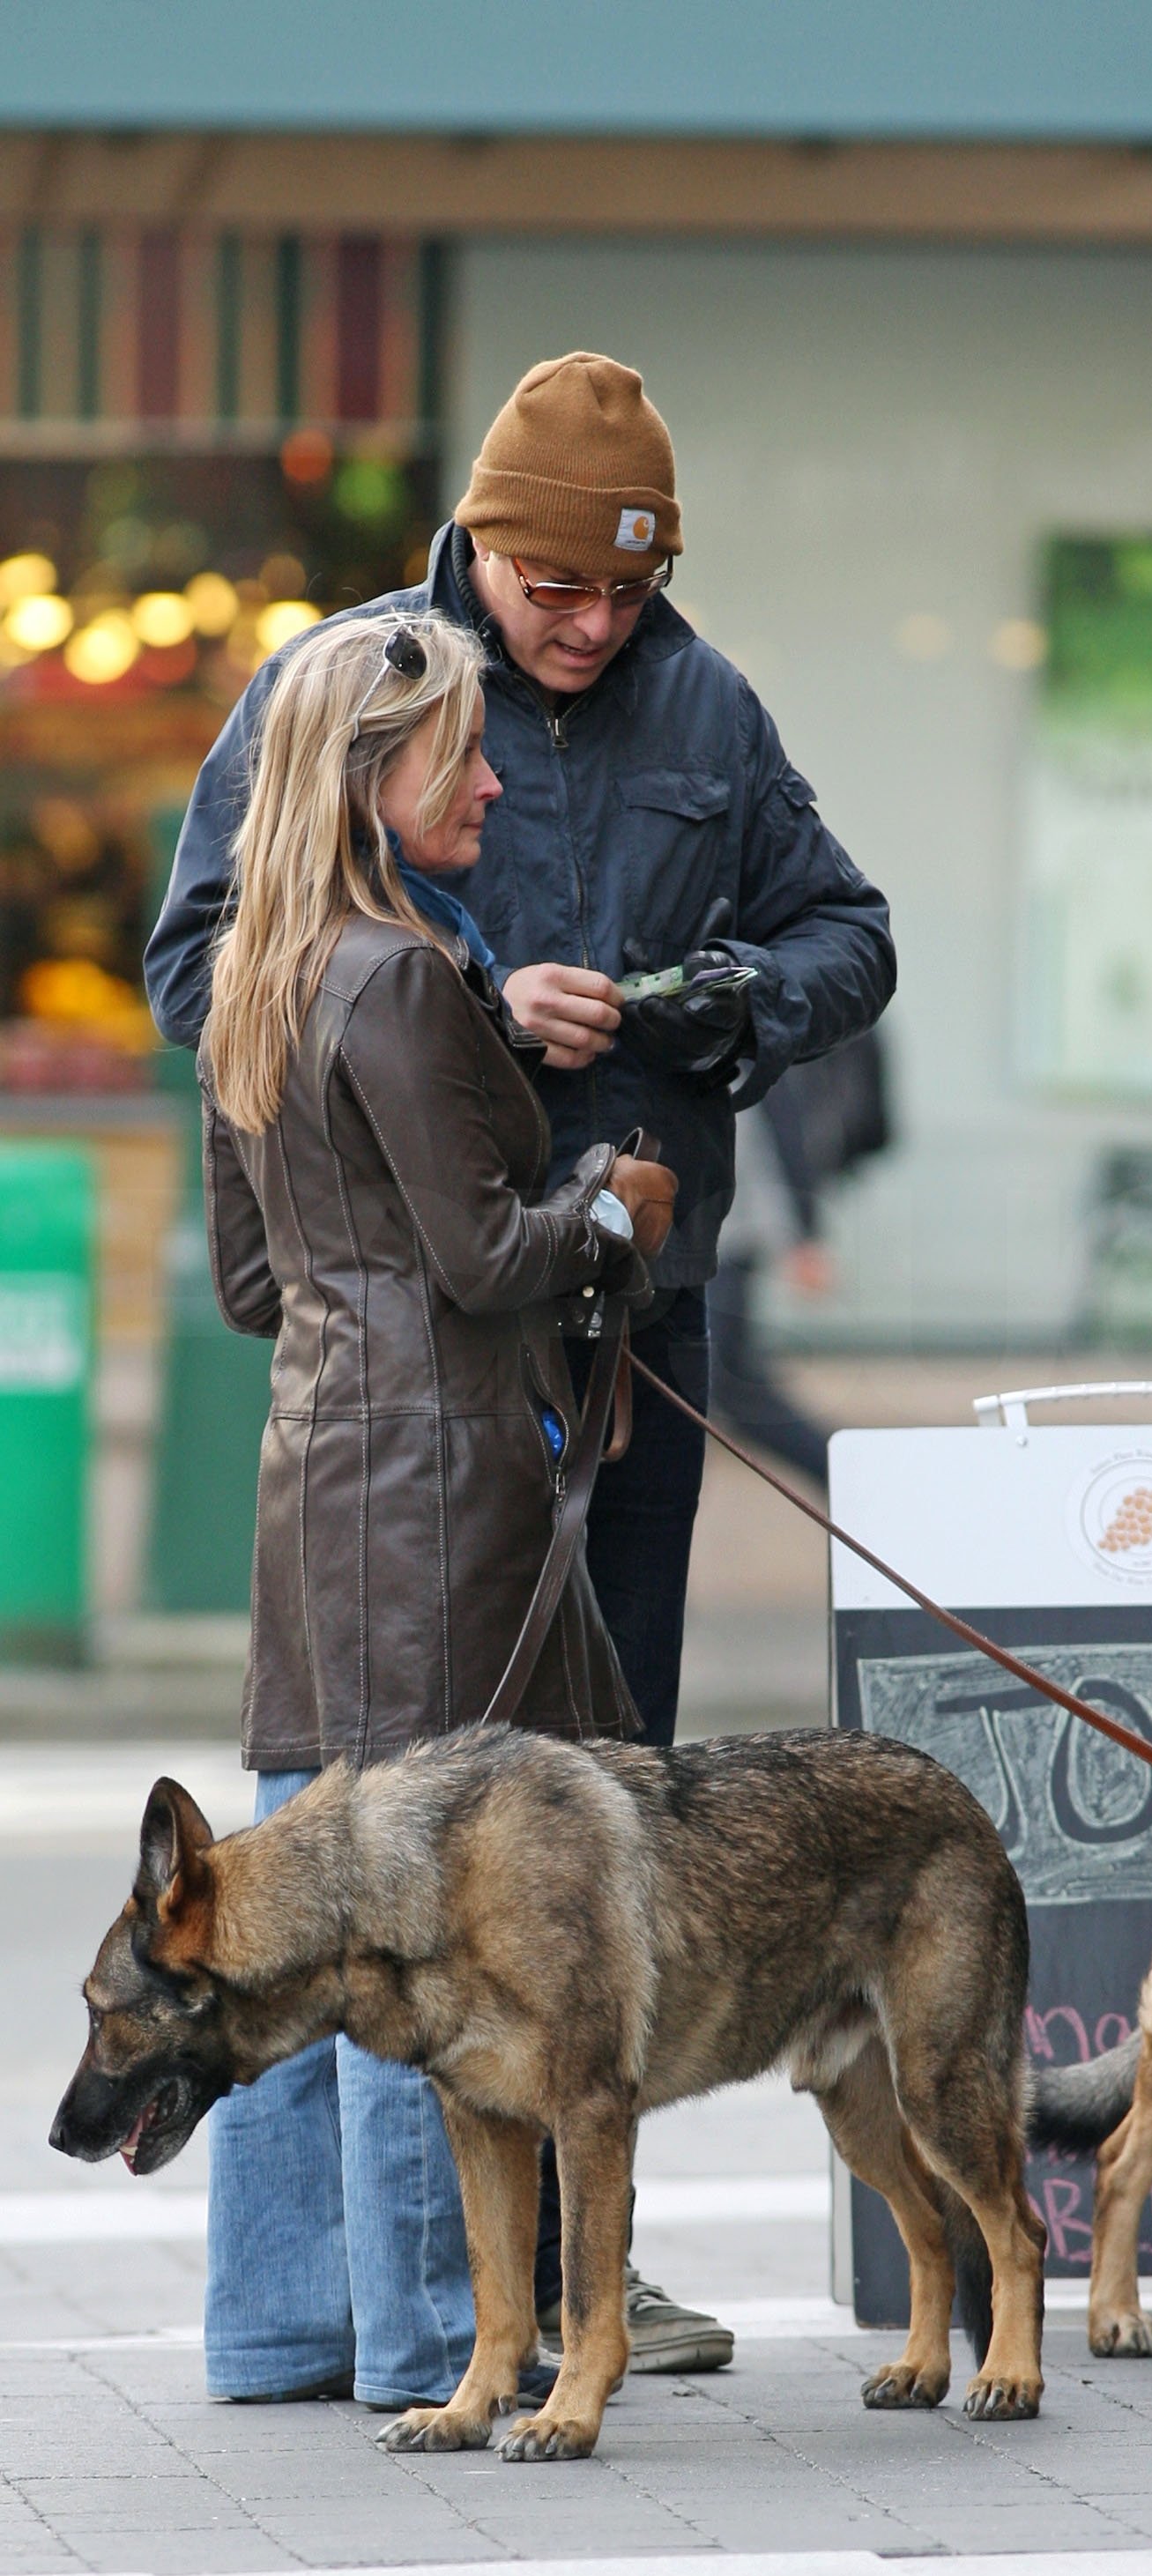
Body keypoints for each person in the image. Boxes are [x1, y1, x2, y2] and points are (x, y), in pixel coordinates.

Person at [146, 352, 896, 2372]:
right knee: (418, 1840)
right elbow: (212, 963)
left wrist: (715, 995)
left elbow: (849, 934)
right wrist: (474, 1012)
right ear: (476, 544)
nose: (586, 629)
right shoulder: (358, 692)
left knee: (594, 1804)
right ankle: (456, 2308)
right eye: (552, 589)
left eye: (622, 594)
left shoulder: (701, 702)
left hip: (611, 1354)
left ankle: (538, 2261)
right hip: (467, 1347)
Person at [197, 608, 672, 2408]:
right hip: (443, 1475)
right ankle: (421, 2329)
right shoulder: (397, 975)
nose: (489, 772)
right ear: (376, 773)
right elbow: (484, 1258)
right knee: (426, 1908)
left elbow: (256, 1286)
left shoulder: (263, 968)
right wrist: (613, 1212)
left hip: (320, 1473)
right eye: (460, 749)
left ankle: (282, 2320)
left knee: (287, 1889)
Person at [709, 1030, 892, 1487]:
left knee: (719, 1385)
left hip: (718, 1236)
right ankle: (856, 1481)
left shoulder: (740, 1011)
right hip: (714, 1233)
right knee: (731, 1387)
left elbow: (775, 1118)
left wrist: (803, 1236)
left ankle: (857, 1482)